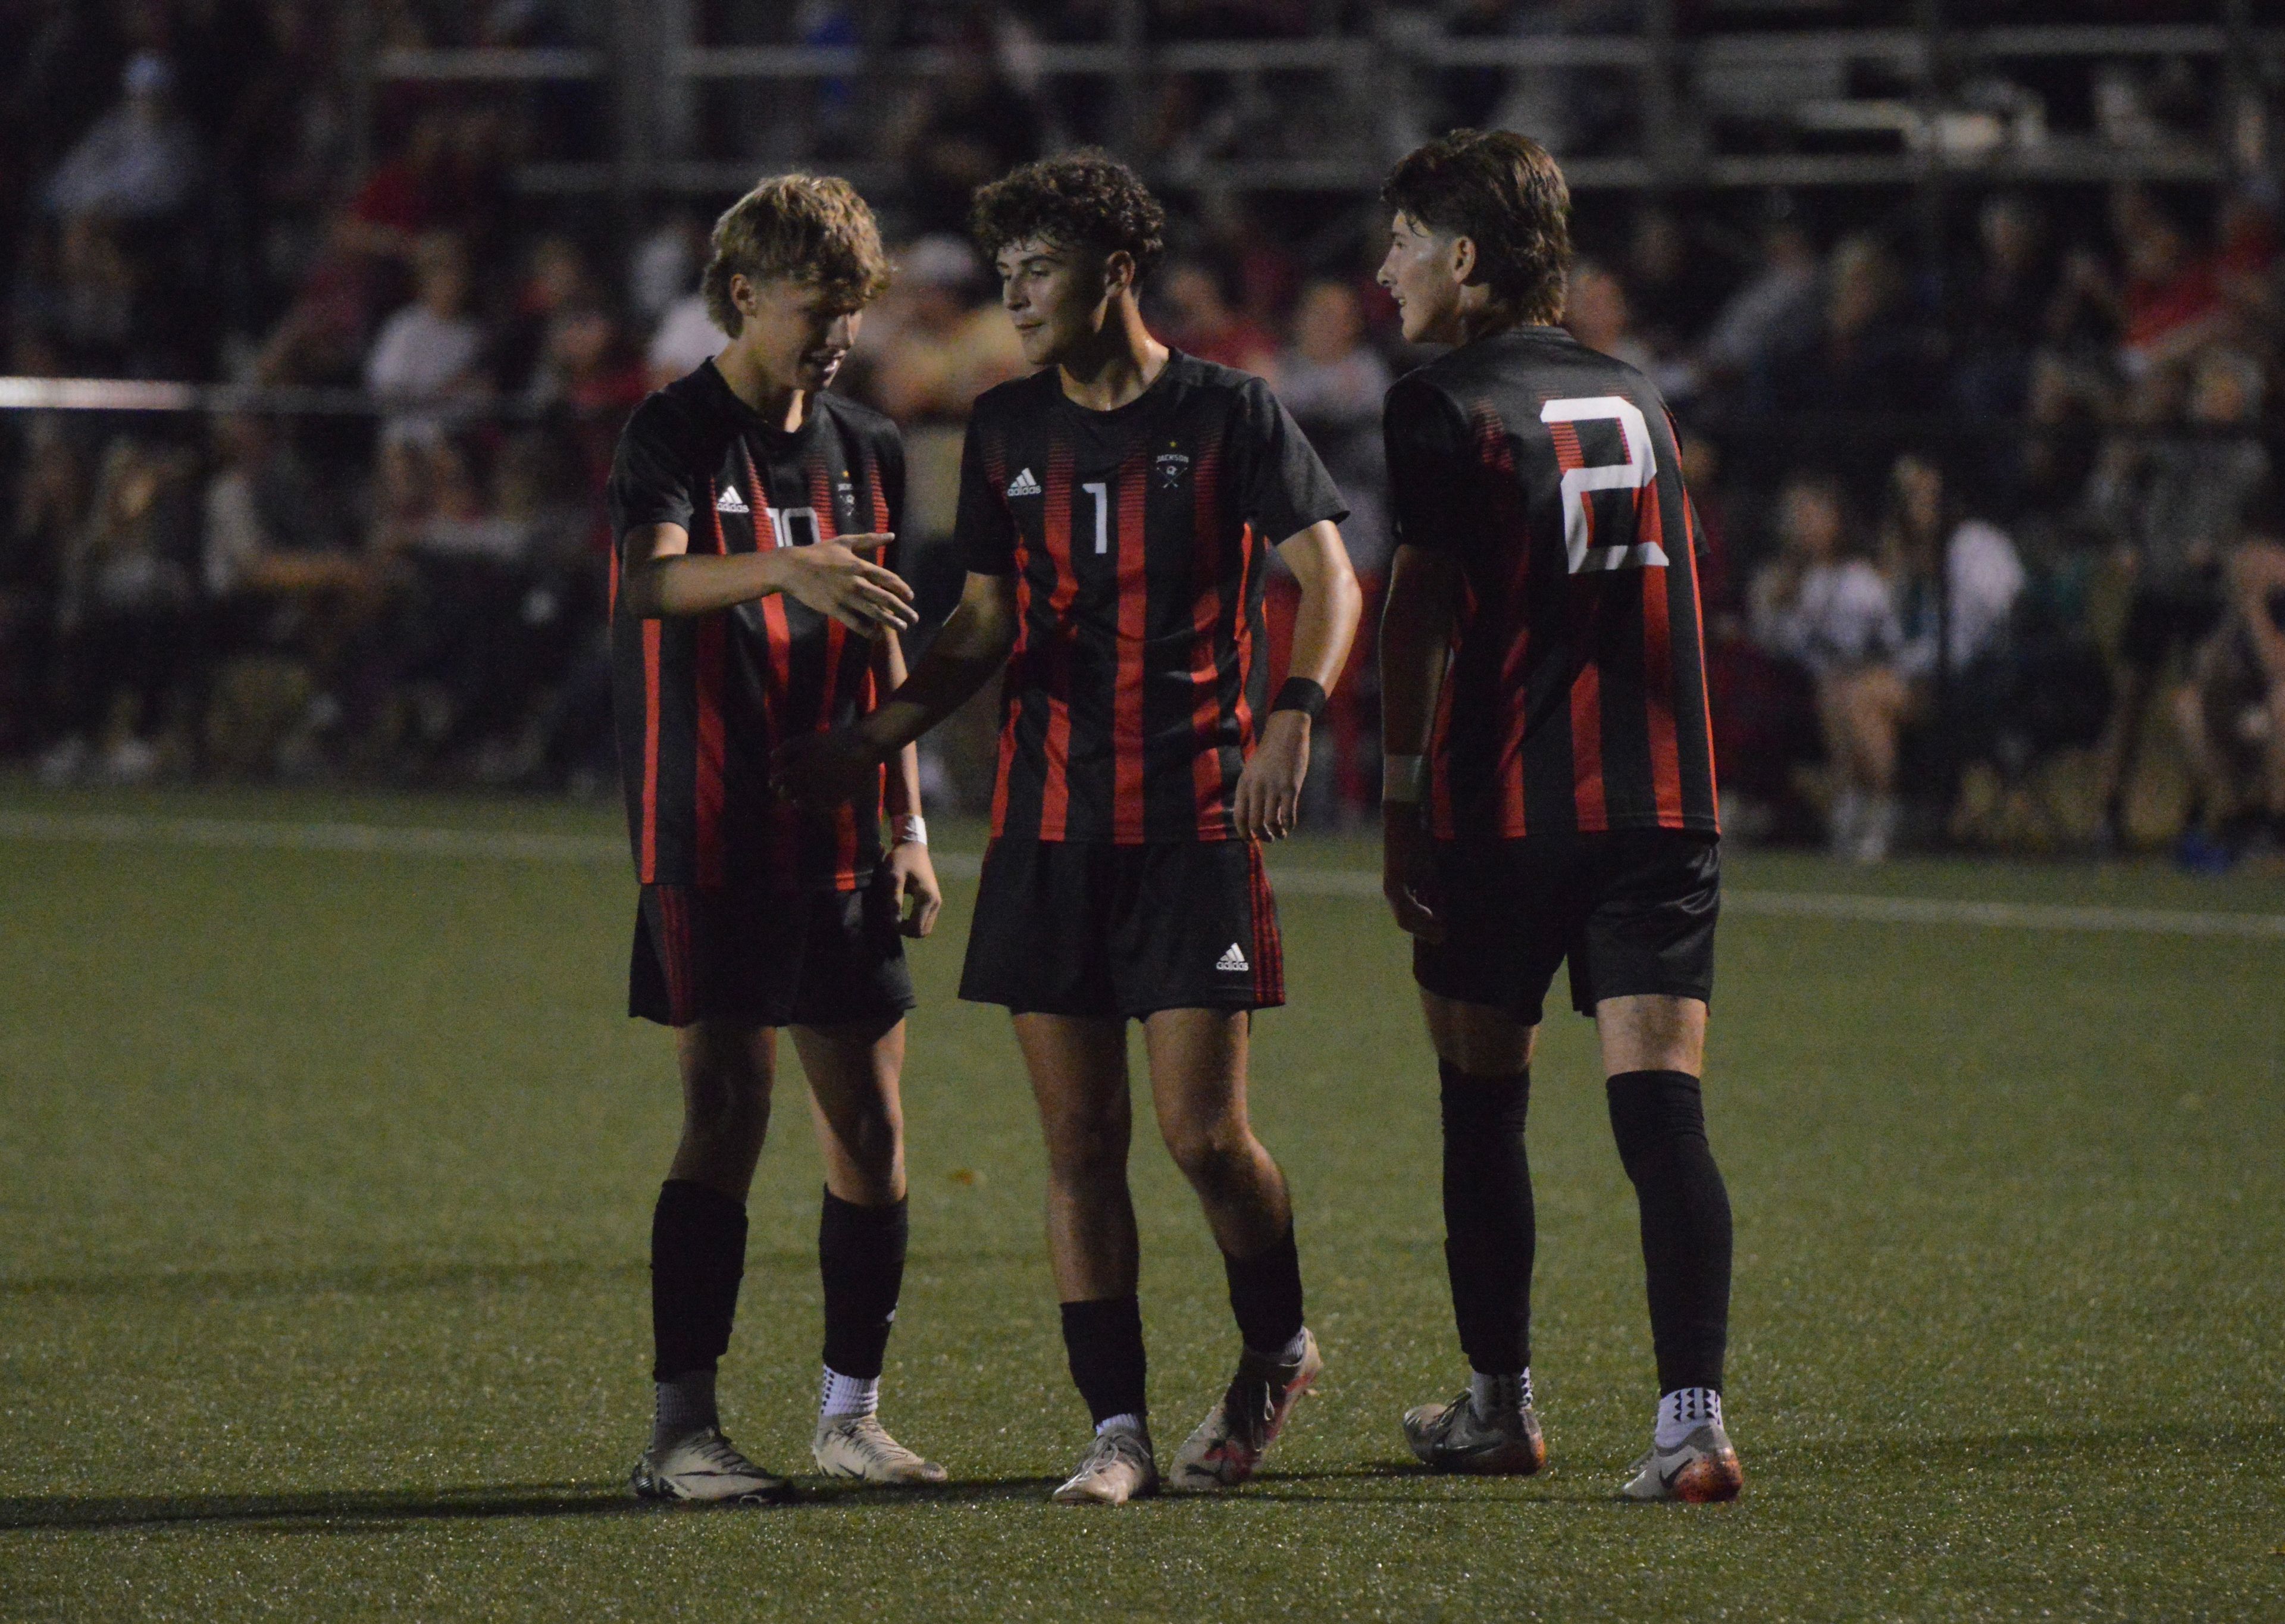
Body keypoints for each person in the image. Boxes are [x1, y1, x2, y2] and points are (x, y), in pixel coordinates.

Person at [776, 150, 1363, 1506]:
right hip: (1049, 828)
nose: (1013, 296)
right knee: (1077, 1146)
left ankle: (1275, 1345)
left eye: (1034, 271)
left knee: (1203, 1135)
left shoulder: (1228, 413)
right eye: (1005, 274)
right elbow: (981, 620)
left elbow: (1326, 571)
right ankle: (1117, 1427)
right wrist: (875, 739)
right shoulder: (1004, 426)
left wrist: (1292, 711)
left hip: (1190, 824)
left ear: (1113, 272)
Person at [1374, 129, 1740, 1503]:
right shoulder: (1639, 392)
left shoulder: (1438, 403)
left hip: (1502, 803)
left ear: (1462, 260)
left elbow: (1416, 612)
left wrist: (1401, 800)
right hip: (1660, 800)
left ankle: (1500, 1404)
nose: (1381, 267)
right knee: (1661, 1118)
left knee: (1481, 1109)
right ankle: (1690, 1420)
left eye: (1402, 241)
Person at [605, 173, 946, 1504]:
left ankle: (849, 1413)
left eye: (854, 312)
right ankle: (679, 1432)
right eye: (818, 307)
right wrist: (782, 568)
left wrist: (909, 812)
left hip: (846, 831)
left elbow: (887, 628)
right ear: (744, 291)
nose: (838, 337)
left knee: (871, 1129)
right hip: (708, 824)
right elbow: (650, 579)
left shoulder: (868, 439)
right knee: (727, 1112)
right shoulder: (673, 430)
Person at [1751, 471, 1908, 862]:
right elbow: (1775, 642)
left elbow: (1887, 642)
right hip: (1812, 684)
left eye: (1814, 515)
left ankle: (1876, 809)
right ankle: (1853, 802)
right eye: (1798, 517)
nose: (1805, 526)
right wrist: (1775, 603)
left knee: (1851, 696)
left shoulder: (1859, 576)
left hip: (1877, 678)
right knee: (1836, 691)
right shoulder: (1784, 580)